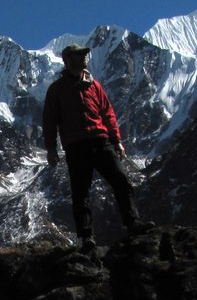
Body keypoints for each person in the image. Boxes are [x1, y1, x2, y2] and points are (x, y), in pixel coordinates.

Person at [43, 43, 149, 252]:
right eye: (79, 55)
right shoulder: (57, 89)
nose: (84, 57)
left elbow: (107, 113)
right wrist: (51, 149)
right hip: (76, 146)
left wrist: (116, 139)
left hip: (100, 140)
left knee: (120, 180)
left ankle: (133, 222)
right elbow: (49, 120)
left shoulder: (94, 86)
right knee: (81, 193)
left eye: (84, 54)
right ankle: (87, 237)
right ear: (68, 60)